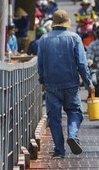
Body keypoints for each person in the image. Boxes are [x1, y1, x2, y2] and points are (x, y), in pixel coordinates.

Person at [37, 10, 94, 158]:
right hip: (71, 84)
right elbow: (81, 63)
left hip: (51, 85)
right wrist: (89, 82)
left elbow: (40, 64)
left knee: (54, 117)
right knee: (74, 111)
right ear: (67, 23)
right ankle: (73, 136)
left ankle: (59, 150)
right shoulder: (75, 38)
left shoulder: (43, 39)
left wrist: (42, 80)